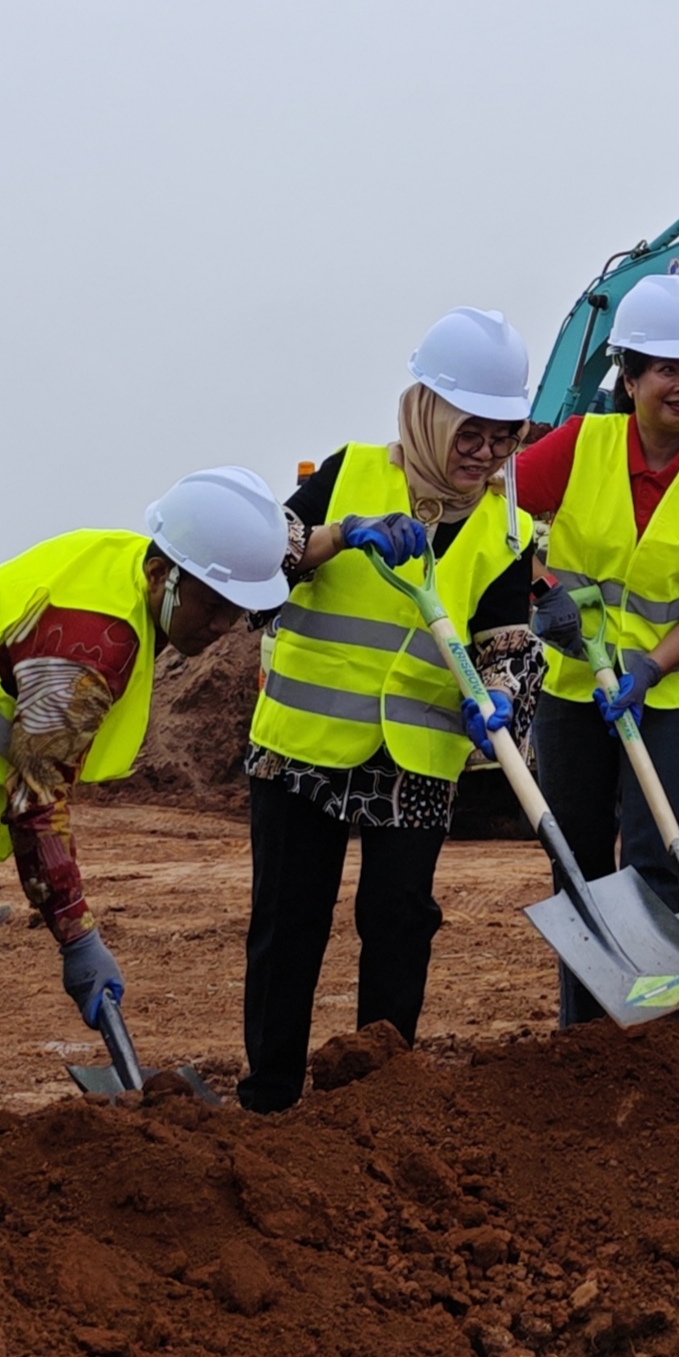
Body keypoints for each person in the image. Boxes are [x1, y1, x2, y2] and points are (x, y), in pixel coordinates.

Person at [240, 312, 539, 1108]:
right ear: (427, 410)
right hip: (304, 744)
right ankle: (269, 1094)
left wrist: (503, 697)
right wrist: (343, 533)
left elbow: (508, 641)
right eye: (468, 432)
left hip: (415, 756)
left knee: (400, 917)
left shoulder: (509, 526)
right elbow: (265, 560)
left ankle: (379, 1095)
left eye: (503, 437)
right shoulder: (348, 471)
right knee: (290, 921)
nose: (483, 454)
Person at [517, 273, 679, 1024]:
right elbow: (495, 517)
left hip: (673, 699)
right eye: (666, 370)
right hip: (574, 691)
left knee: (655, 858)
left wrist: (653, 666)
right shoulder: (577, 446)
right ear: (628, 376)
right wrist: (537, 590)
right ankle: (586, 1027)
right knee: (579, 861)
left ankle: (648, 1018)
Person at [0, 469, 280, 1046]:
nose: (224, 627)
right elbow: (37, 804)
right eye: (212, 606)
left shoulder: (135, 564)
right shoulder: (91, 643)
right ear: (161, 575)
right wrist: (78, 938)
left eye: (237, 612)